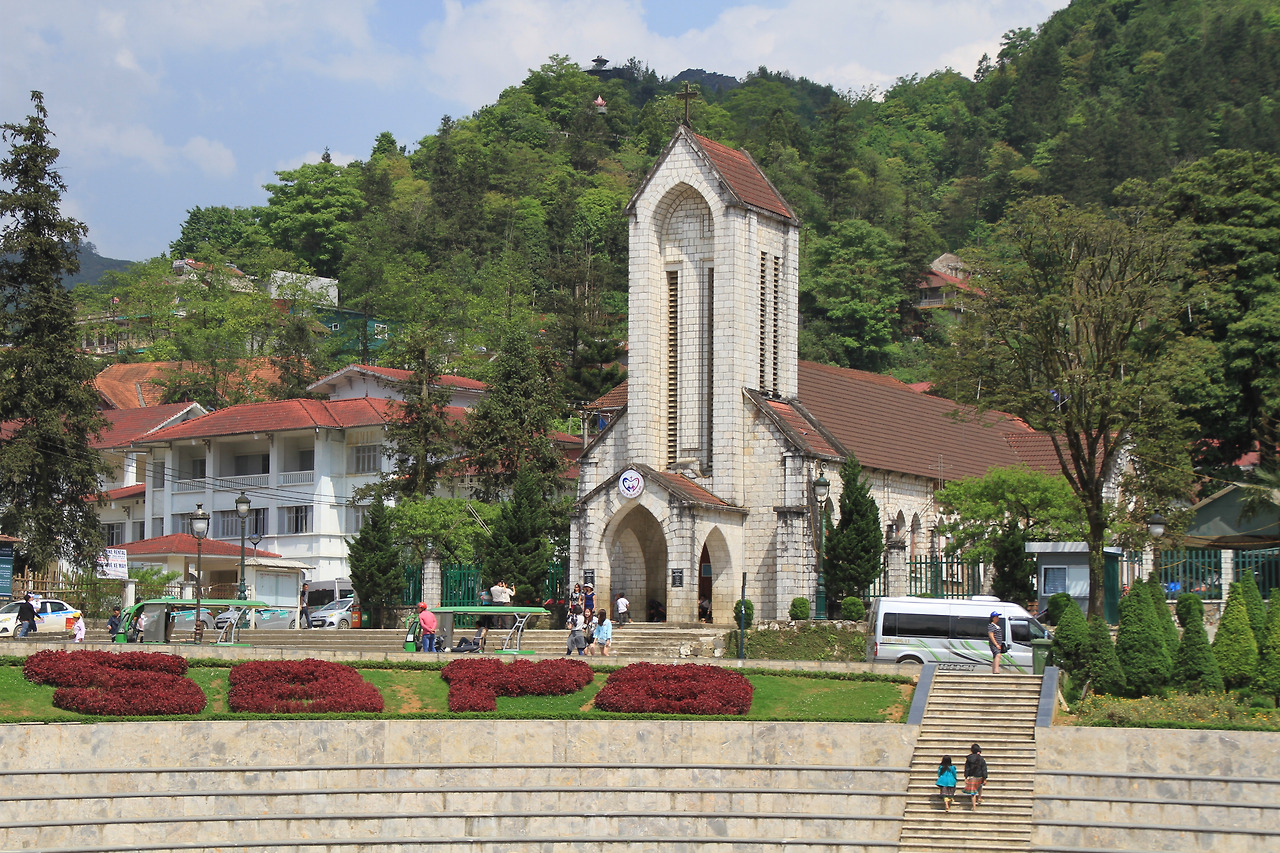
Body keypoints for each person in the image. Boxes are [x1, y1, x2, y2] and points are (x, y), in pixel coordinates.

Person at [963, 743, 988, 810]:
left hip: (972, 777)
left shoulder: (969, 758)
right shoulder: (981, 759)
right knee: (980, 786)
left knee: (973, 793)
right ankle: (979, 798)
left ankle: (974, 806)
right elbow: (984, 769)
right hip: (979, 776)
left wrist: (966, 777)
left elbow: (967, 768)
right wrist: (985, 778)